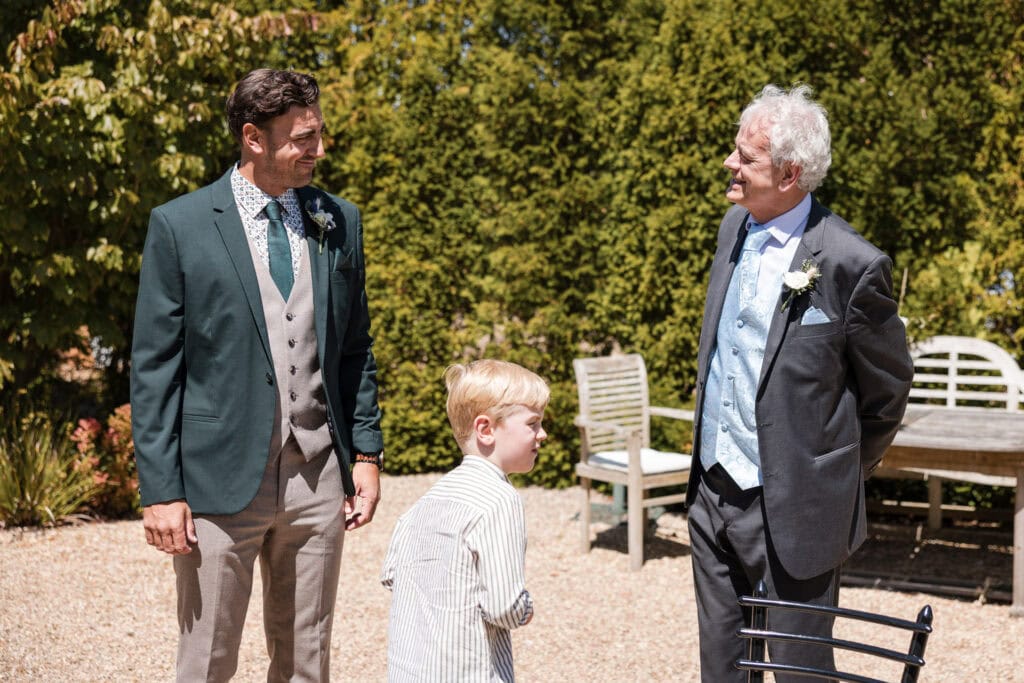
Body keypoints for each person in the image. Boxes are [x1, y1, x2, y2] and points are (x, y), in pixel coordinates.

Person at [130, 68, 384, 682]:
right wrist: (162, 491)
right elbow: (155, 366)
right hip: (217, 479)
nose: (318, 150)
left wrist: (368, 454)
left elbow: (355, 349)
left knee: (306, 660)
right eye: (303, 138)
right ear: (253, 137)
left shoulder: (338, 220)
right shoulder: (180, 225)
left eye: (318, 134)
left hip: (319, 474)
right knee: (208, 659)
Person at [687, 84, 913, 682]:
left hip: (799, 509)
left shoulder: (850, 263)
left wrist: (830, 473)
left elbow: (886, 391)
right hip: (712, 492)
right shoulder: (733, 228)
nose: (729, 164)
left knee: (799, 669)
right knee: (723, 666)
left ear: (789, 174)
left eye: (745, 157)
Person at [380, 359, 548, 682]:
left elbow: (391, 575)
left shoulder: (425, 502)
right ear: (485, 429)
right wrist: (525, 608)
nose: (542, 434)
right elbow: (504, 606)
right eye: (533, 423)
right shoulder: (500, 500)